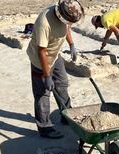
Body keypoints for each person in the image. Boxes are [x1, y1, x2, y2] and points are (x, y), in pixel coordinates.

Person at [26, 0, 84, 139]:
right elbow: (42, 51)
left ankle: (66, 115)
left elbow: (67, 27)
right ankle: (44, 127)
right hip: (41, 60)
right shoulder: (44, 23)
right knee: (42, 93)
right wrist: (46, 75)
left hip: (55, 55)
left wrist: (71, 45)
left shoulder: (65, 15)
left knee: (62, 84)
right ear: (61, 15)